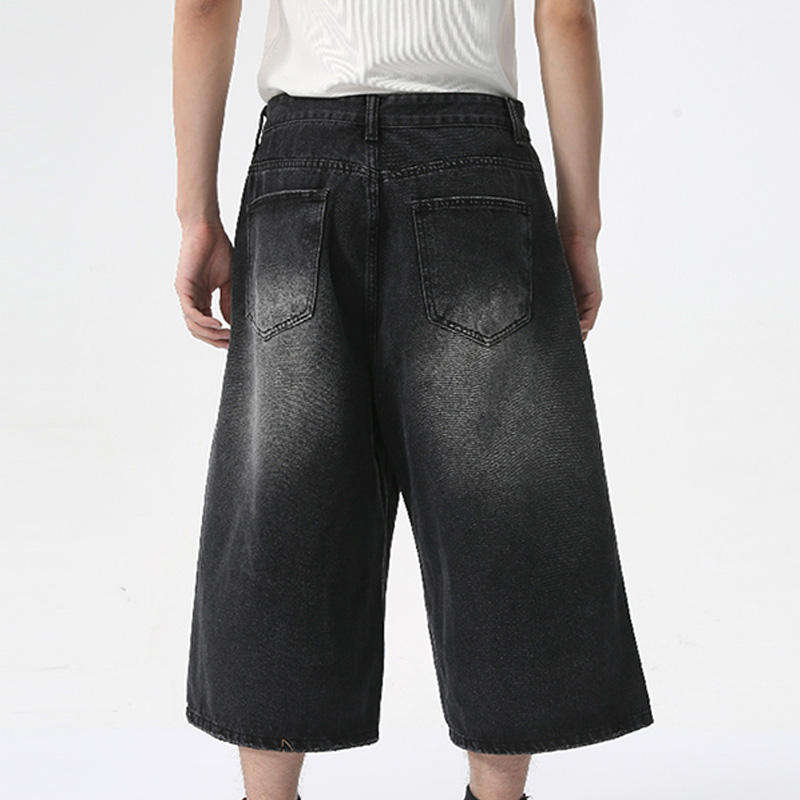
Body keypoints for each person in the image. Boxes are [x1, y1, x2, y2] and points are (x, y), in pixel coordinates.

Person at [172, 1, 653, 799]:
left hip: (300, 169)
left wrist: (196, 215)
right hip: (474, 167)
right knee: (501, 503)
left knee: (284, 500)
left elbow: (204, 6)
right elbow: (565, 15)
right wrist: (580, 227)